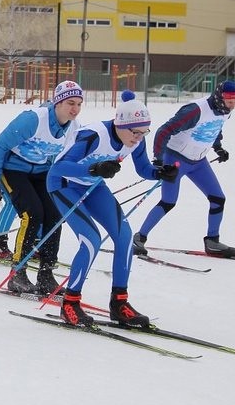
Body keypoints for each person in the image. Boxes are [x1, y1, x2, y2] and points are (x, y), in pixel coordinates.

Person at [48, 91, 176, 326]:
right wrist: (93, 169)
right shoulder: (93, 135)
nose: (138, 138)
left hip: (93, 186)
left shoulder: (136, 138)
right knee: (90, 239)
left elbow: (143, 169)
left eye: (143, 132)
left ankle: (119, 303)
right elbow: (58, 169)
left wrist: (160, 173)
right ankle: (70, 303)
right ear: (120, 124)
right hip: (64, 185)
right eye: (135, 132)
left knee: (125, 237)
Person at [0, 80, 84, 296]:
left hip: (40, 172)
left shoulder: (73, 128)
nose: (74, 109)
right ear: (57, 102)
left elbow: (71, 158)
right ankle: (17, 274)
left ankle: (46, 274)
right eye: (70, 103)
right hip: (12, 169)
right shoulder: (33, 120)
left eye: (78, 104)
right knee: (32, 214)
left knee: (55, 216)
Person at [133, 79, 235, 257]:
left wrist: (218, 147)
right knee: (168, 202)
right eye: (230, 102)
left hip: (199, 162)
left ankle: (212, 242)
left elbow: (215, 128)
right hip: (176, 160)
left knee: (218, 198)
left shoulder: (224, 110)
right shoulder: (195, 110)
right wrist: (159, 162)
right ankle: (139, 238)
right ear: (219, 97)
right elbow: (163, 131)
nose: (232, 106)